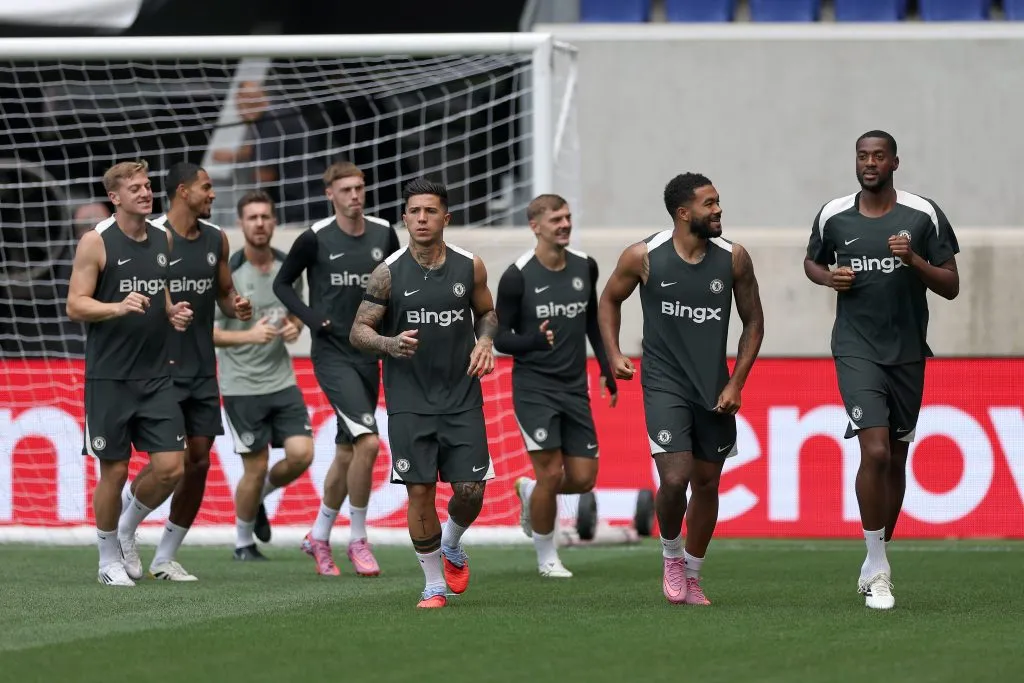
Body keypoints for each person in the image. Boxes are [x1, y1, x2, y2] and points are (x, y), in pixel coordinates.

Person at [804, 131, 960, 610]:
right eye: (862, 156)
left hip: (907, 352)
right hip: (856, 349)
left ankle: (877, 554)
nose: (869, 163)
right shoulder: (834, 215)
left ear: (894, 162)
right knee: (873, 451)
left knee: (894, 459)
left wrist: (913, 260)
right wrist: (829, 277)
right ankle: (878, 569)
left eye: (878, 156)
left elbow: (951, 284)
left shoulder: (922, 214)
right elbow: (812, 262)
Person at [599, 172, 764, 606]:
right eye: (710, 203)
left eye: (718, 201)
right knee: (674, 480)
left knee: (707, 484)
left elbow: (754, 322)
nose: (719, 209)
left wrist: (736, 383)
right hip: (664, 383)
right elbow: (609, 299)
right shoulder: (643, 256)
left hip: (714, 388)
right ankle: (671, 556)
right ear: (683, 213)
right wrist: (613, 353)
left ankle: (692, 574)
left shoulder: (734, 258)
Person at [349, 178, 498, 608]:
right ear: (404, 218)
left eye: (430, 211)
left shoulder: (470, 266)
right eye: (414, 211)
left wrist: (485, 341)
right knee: (420, 491)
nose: (421, 218)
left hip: (461, 396)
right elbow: (358, 331)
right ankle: (433, 585)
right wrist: (388, 343)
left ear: (445, 217)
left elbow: (487, 313)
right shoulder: (388, 272)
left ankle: (451, 541)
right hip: (409, 401)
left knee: (470, 491)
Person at [119, 162, 252, 582]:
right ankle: (124, 527)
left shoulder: (216, 238)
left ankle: (165, 557)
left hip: (202, 368)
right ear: (183, 191)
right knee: (170, 463)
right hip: (160, 369)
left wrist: (237, 306)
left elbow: (225, 293)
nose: (212, 194)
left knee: (198, 462)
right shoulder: (153, 237)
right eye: (206, 187)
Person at [66, 160, 194, 586]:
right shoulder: (96, 241)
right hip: (109, 378)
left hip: (156, 375)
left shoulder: (163, 238)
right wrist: (117, 307)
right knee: (115, 471)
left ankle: (125, 529)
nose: (145, 192)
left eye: (148, 185)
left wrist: (172, 311)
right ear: (115, 198)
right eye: (135, 188)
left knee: (171, 468)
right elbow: (75, 304)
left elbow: (160, 286)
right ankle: (107, 560)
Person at [273, 161, 400, 576]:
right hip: (333, 355)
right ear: (330, 194)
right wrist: (313, 320)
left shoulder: (384, 233)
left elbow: (397, 287)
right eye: (346, 189)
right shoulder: (315, 237)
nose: (355, 196)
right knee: (369, 443)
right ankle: (358, 539)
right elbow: (282, 283)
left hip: (370, 354)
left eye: (359, 188)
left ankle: (318, 535)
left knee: (347, 451)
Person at [494, 194, 617, 578]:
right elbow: (499, 338)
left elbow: (591, 320)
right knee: (549, 473)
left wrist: (606, 364)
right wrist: (532, 340)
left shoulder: (585, 266)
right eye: (555, 219)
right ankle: (547, 557)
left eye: (567, 217)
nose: (564, 224)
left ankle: (532, 493)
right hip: (534, 389)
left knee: (583, 479)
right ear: (535, 226)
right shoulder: (517, 275)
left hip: (574, 387)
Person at [214, 190, 315, 560]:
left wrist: (294, 327)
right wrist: (249, 336)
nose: (259, 223)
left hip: (281, 380)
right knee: (254, 467)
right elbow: (206, 332)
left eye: (265, 216)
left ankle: (258, 498)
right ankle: (243, 543)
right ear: (241, 224)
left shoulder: (288, 267)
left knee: (302, 454)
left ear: (274, 222)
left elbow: (295, 311)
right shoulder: (228, 272)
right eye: (252, 217)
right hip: (241, 385)